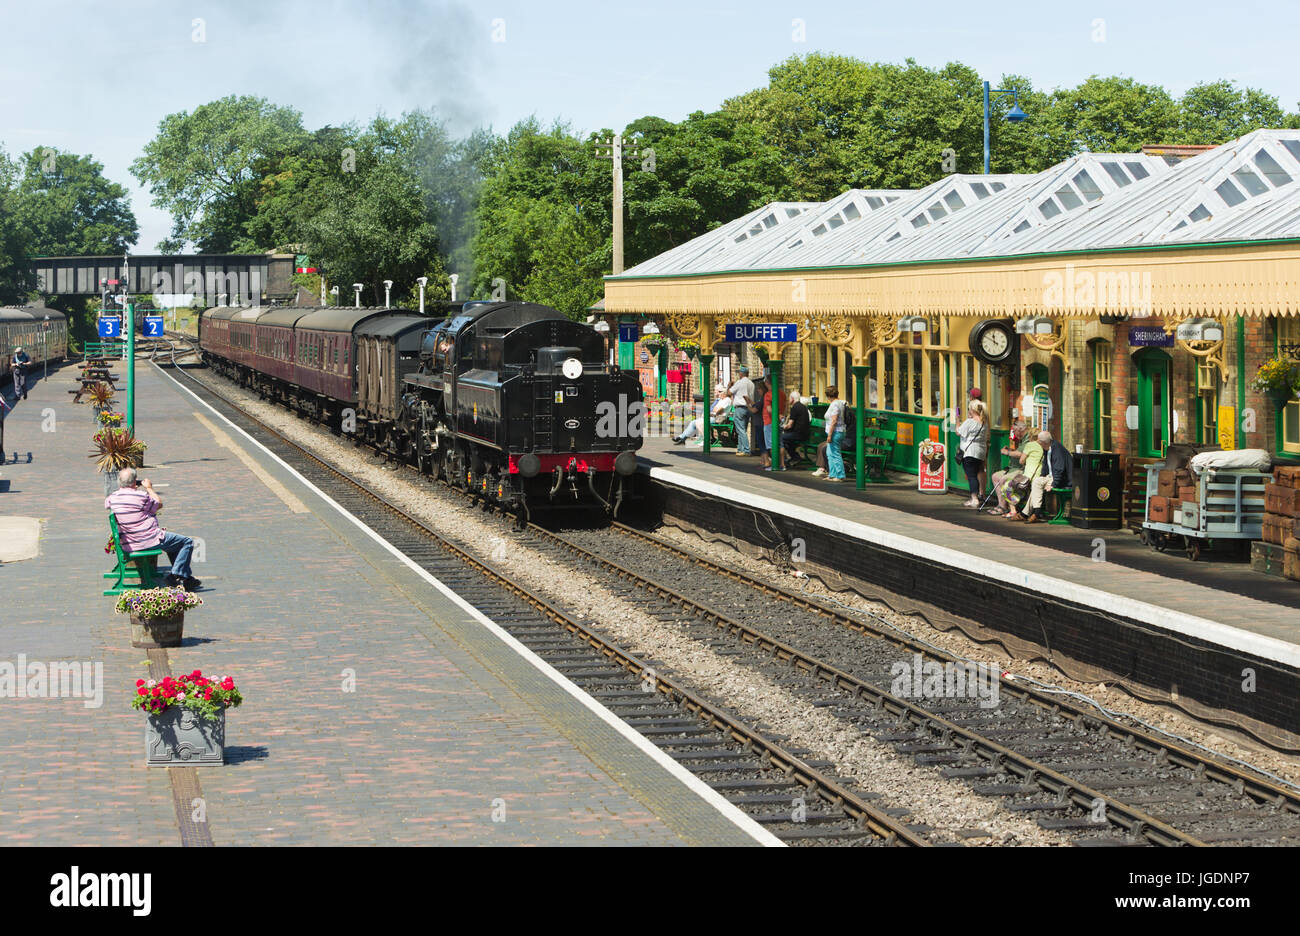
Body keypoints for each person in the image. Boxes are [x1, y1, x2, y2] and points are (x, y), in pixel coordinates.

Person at [105, 466, 202, 590]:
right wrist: (149, 488)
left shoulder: (112, 498)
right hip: (148, 539)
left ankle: (187, 579)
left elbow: (107, 503)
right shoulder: (141, 496)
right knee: (186, 542)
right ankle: (174, 576)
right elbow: (159, 504)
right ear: (135, 482)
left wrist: (128, 490)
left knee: (174, 545)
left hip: (130, 541)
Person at [1025, 430, 1072, 523]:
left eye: (1038, 441)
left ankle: (1030, 513)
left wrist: (1054, 484)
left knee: (1037, 487)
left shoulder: (1057, 449)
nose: (1037, 442)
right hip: (1050, 476)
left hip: (1062, 479)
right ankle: (1037, 511)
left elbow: (1059, 469)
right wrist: (1043, 475)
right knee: (1036, 481)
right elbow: (1045, 465)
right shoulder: (1047, 449)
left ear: (1043, 442)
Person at [957, 399, 990, 507]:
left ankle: (974, 498)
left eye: (969, 409)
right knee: (977, 472)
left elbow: (959, 432)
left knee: (971, 476)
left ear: (972, 409)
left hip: (969, 452)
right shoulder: (984, 422)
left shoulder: (969, 422)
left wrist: (957, 420)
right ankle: (981, 494)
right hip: (980, 451)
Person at [727, 366, 756, 455]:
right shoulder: (751, 383)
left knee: (741, 430)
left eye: (739, 372)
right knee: (743, 429)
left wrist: (729, 386)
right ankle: (740, 449)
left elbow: (729, 393)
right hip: (748, 408)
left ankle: (746, 450)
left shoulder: (739, 382)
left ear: (741, 373)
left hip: (740, 408)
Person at [821, 386, 847, 482]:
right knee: (829, 453)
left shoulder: (835, 404)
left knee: (835, 453)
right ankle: (832, 474)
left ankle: (840, 475)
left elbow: (834, 420)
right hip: (836, 432)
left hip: (836, 432)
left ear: (828, 395)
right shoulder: (838, 403)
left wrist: (829, 435)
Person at [759, 380, 787, 468]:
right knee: (780, 443)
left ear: (767, 383)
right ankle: (782, 464)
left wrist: (777, 415)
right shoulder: (782, 393)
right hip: (780, 421)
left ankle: (775, 464)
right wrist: (782, 415)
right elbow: (786, 406)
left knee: (771, 444)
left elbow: (769, 409)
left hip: (769, 421)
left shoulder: (768, 394)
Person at [780, 390, 810, 468]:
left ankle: (786, 459)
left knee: (780, 438)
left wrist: (782, 427)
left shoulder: (795, 408)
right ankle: (795, 457)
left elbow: (789, 425)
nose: (789, 400)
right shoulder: (803, 407)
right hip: (805, 433)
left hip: (799, 434)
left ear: (792, 399)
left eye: (789, 398)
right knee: (787, 440)